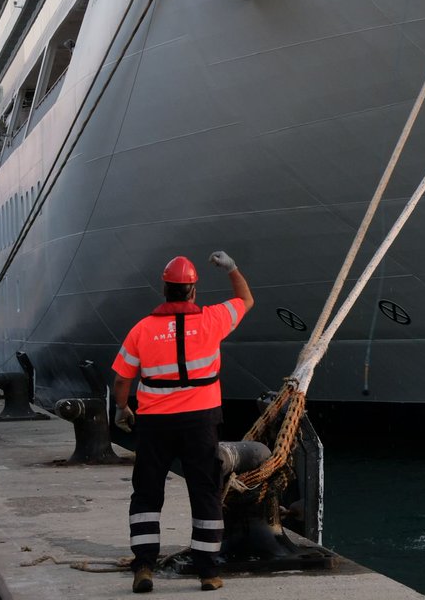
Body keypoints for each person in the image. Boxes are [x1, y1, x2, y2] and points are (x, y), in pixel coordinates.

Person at [112, 251, 254, 593]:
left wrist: (122, 408)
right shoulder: (213, 319)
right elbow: (246, 300)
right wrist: (232, 268)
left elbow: (121, 379)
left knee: (147, 493)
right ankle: (208, 572)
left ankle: (144, 566)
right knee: (205, 493)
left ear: (164, 289)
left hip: (155, 424)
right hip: (200, 423)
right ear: (193, 290)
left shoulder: (142, 329)